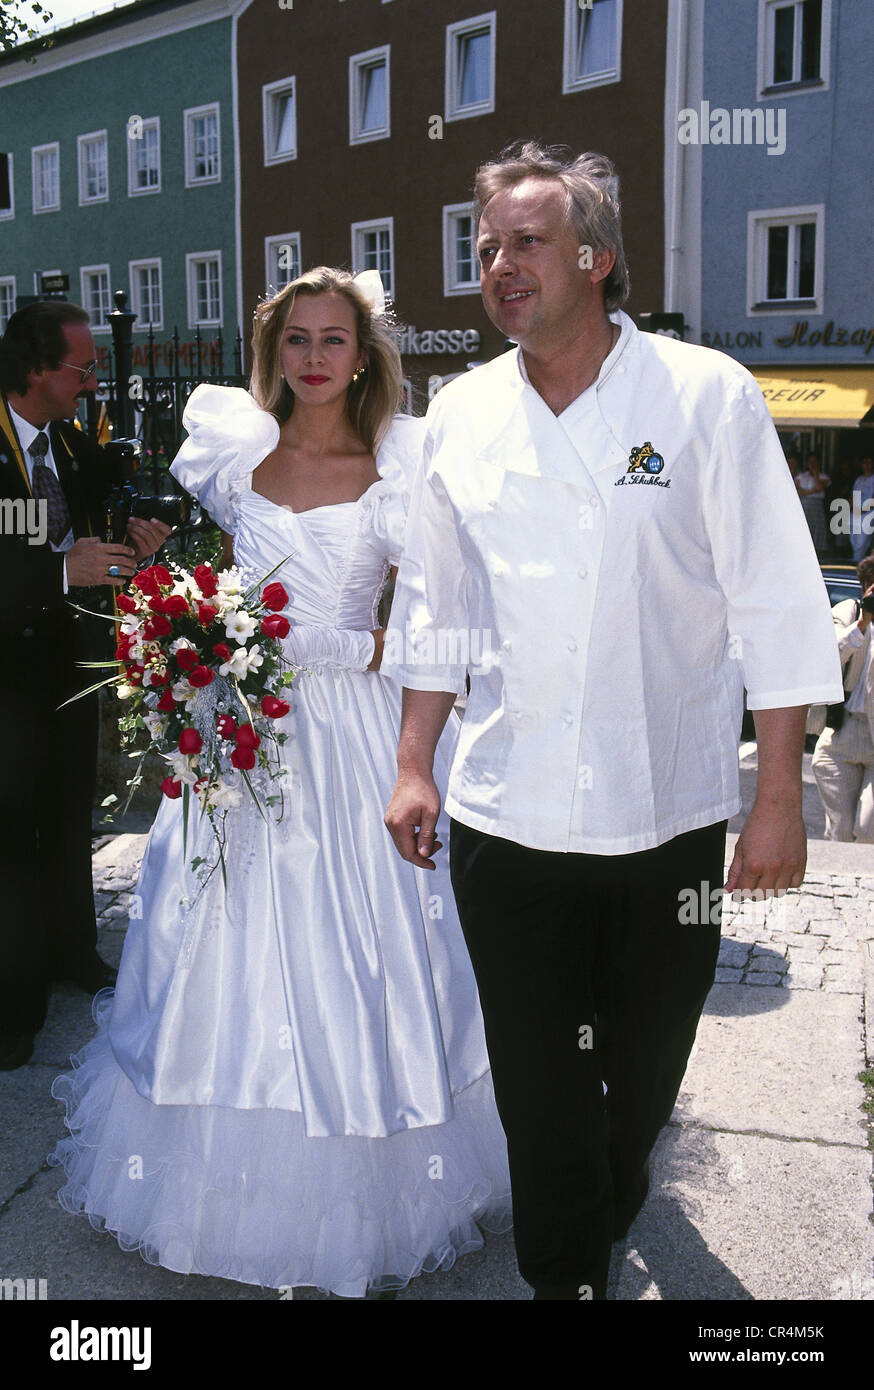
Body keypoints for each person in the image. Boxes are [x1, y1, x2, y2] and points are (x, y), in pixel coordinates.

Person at [383, 141, 844, 1300]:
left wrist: (776, 800)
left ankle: (608, 1191)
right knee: (541, 1089)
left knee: (637, 1081)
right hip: (508, 816)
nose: (497, 264)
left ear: (596, 259)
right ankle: (566, 1278)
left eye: (525, 242)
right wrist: (413, 765)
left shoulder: (702, 395)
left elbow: (777, 603)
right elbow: (439, 604)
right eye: (484, 248)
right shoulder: (462, 412)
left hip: (667, 815)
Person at [49, 268, 511, 1297]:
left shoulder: (402, 462)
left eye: (334, 339)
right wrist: (190, 617)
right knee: (219, 926)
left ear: (364, 352)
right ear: (275, 349)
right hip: (240, 719)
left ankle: (374, 1172)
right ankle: (205, 1182)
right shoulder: (233, 449)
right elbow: (216, 571)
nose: (313, 357)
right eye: (296, 338)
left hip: (352, 725)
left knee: (362, 930)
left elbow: (443, 611)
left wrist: (398, 695)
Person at [0, 301, 169, 1071]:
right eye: (83, 368)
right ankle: (11, 1002)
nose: (95, 381)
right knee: (13, 834)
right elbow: (35, 555)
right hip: (6, 678)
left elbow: (76, 525)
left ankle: (70, 953)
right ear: (37, 370)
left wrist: (134, 535)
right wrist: (55, 571)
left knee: (68, 814)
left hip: (65, 665)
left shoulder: (64, 442)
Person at [812, 555, 874, 842]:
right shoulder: (849, 612)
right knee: (840, 831)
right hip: (842, 734)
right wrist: (863, 623)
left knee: (867, 829)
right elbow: (828, 656)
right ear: (865, 587)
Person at [795, 454, 830, 555]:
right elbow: (797, 491)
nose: (812, 464)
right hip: (803, 504)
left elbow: (819, 487)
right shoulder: (801, 476)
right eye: (810, 462)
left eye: (814, 461)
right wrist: (812, 491)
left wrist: (815, 474)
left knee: (817, 528)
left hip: (816, 504)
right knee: (803, 527)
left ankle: (817, 552)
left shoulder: (823, 476)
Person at [849, 457, 874, 564]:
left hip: (868, 513)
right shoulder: (858, 479)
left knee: (862, 543)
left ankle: (857, 565)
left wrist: (862, 510)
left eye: (869, 462)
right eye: (864, 462)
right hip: (855, 513)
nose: (867, 465)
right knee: (854, 541)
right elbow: (853, 496)